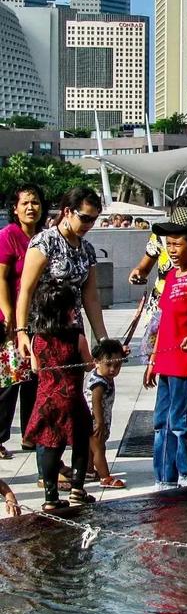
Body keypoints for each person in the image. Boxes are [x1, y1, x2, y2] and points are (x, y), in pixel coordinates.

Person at [143, 210, 187, 490]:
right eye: (168, 244)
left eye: (177, 244)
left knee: (182, 422)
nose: (171, 250)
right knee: (161, 422)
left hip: (185, 364)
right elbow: (162, 325)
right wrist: (152, 361)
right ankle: (163, 477)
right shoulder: (171, 276)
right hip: (165, 362)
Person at [16, 186, 109, 362]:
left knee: (72, 387)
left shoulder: (87, 249)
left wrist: (103, 340)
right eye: (85, 218)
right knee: (40, 388)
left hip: (73, 333)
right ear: (67, 211)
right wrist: (21, 333)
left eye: (94, 219)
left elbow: (91, 298)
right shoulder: (45, 242)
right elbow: (26, 290)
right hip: (43, 333)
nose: (89, 225)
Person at [23, 284, 94, 511]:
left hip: (46, 402)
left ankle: (50, 497)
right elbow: (89, 365)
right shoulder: (77, 337)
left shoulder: (38, 339)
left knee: (49, 445)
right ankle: (76, 490)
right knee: (81, 443)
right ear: (66, 311)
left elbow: (35, 369)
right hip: (71, 400)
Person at [129, 194, 187, 360]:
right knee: (157, 354)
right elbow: (144, 267)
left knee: (185, 353)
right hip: (161, 304)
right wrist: (138, 274)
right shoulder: (160, 237)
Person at [0, 183, 48, 458]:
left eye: (36, 202)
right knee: (9, 382)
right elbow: (2, 279)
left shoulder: (45, 237)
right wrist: (8, 315)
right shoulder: (8, 236)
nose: (31, 208)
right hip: (10, 321)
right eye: (25, 203)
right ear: (15, 209)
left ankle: (32, 435)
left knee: (35, 378)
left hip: (39, 319)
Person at [86, 339, 126, 489]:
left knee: (91, 448)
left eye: (117, 365)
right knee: (99, 448)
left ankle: (89, 471)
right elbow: (96, 402)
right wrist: (100, 421)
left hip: (94, 419)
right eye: (108, 365)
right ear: (96, 361)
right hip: (94, 420)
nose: (112, 369)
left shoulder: (103, 376)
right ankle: (105, 477)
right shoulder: (99, 383)